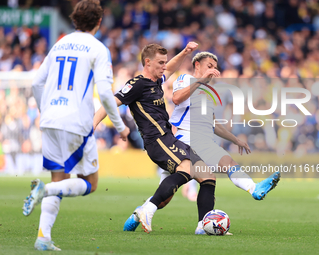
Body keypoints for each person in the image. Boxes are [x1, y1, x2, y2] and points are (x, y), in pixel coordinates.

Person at [123, 51, 281, 234]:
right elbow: (177, 98)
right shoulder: (185, 79)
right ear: (197, 65)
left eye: (215, 67)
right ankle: (142, 213)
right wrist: (202, 80)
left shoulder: (209, 92)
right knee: (179, 190)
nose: (213, 71)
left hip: (204, 139)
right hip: (186, 138)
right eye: (209, 66)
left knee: (217, 170)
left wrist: (235, 139)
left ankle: (250, 192)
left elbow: (213, 123)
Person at [22, 0, 129, 251]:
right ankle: (43, 190)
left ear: (74, 20)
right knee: (90, 182)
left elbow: (37, 82)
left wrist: (45, 110)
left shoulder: (59, 43)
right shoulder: (98, 48)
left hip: (49, 120)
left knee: (60, 178)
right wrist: (119, 125)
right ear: (99, 22)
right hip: (76, 122)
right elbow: (104, 93)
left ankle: (43, 238)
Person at [94, 42, 218, 234]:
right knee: (185, 168)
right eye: (160, 63)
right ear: (147, 62)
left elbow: (171, 67)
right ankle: (147, 210)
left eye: (165, 62)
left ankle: (204, 226)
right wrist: (91, 126)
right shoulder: (138, 84)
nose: (164, 67)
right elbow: (110, 102)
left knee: (207, 175)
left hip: (168, 138)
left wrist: (185, 52)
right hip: (157, 140)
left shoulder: (157, 80)